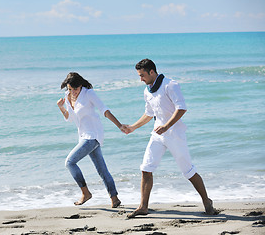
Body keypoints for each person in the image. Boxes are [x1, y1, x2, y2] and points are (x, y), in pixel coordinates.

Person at [122, 59, 216, 218]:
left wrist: (167, 126)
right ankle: (143, 207)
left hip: (175, 135)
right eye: (139, 76)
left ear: (152, 72)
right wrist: (133, 127)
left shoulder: (170, 85)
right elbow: (149, 114)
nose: (141, 79)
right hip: (157, 135)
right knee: (146, 168)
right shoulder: (147, 90)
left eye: (142, 75)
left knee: (188, 171)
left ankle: (207, 201)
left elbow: (182, 108)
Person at [57, 72, 122, 208]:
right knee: (102, 170)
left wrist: (119, 125)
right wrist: (62, 107)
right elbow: (70, 118)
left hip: (93, 135)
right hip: (83, 135)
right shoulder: (67, 96)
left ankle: (85, 193)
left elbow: (104, 110)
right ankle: (114, 198)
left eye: (75, 89)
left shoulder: (89, 94)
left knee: (70, 162)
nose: (73, 92)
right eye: (70, 89)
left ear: (80, 86)